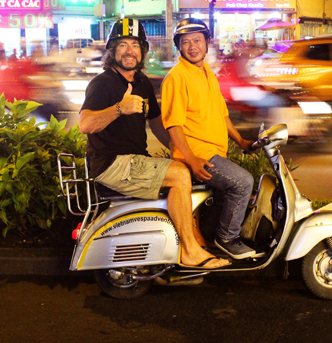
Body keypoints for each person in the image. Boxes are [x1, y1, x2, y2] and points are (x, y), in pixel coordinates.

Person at [79, 18, 229, 270]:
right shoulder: (102, 83)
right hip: (113, 164)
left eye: (136, 45)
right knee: (180, 175)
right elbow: (85, 124)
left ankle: (194, 241)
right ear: (112, 49)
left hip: (136, 160)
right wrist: (119, 108)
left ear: (143, 51)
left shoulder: (141, 82)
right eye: (123, 45)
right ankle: (190, 252)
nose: (130, 51)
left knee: (185, 169)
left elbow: (158, 123)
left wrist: (184, 152)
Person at [161, 18, 257, 260]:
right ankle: (227, 238)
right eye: (186, 43)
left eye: (197, 41)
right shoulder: (177, 77)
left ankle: (212, 238)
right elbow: (173, 125)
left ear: (207, 43)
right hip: (198, 154)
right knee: (243, 182)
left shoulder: (206, 73)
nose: (192, 47)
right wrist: (191, 159)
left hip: (214, 152)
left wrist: (240, 141)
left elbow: (221, 114)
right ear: (179, 47)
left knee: (228, 193)